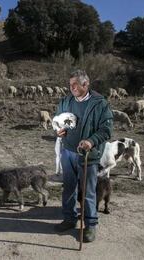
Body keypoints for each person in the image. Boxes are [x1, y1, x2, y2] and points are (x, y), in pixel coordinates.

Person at [53, 69, 113, 243]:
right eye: (70, 84)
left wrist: (91, 141)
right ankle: (70, 219)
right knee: (69, 187)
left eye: (75, 85)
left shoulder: (99, 104)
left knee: (87, 191)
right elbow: (58, 120)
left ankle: (90, 225)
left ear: (85, 84)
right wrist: (58, 130)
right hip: (68, 152)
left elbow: (106, 129)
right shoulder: (66, 101)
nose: (71, 88)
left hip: (88, 154)